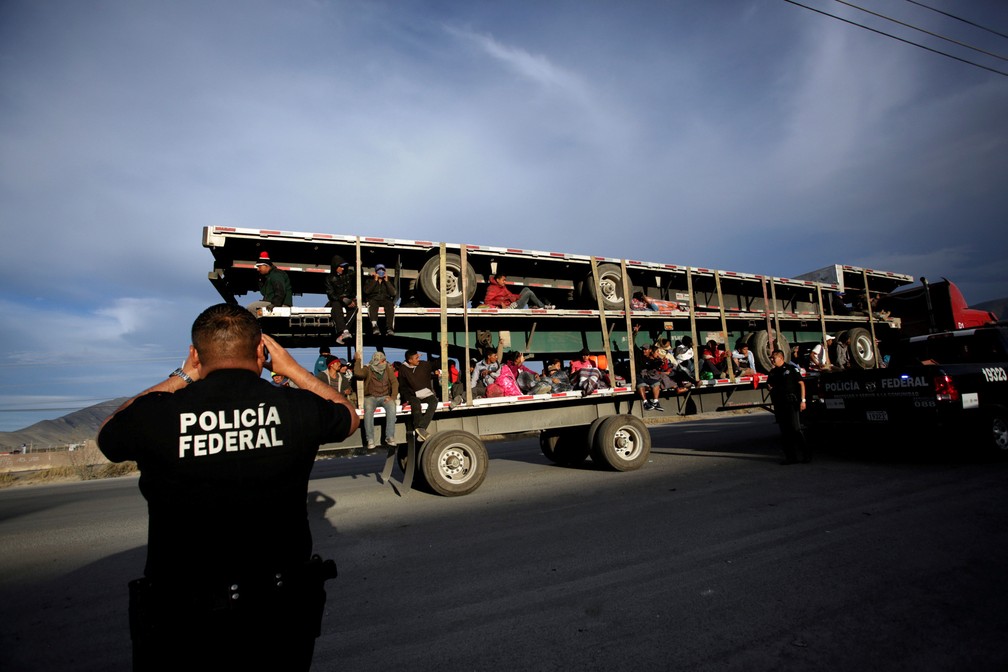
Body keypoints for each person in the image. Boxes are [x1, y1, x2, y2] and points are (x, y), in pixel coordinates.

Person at [96, 303, 359, 671]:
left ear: (195, 354)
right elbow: (348, 416)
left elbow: (109, 429)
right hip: (278, 616)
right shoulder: (295, 407)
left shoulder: (156, 414)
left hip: (181, 623)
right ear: (260, 352)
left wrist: (183, 376)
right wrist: (292, 369)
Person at [766, 348, 809, 464]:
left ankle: (806, 455)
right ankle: (790, 457)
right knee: (784, 432)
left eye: (773, 358)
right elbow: (769, 385)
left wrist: (803, 400)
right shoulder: (773, 372)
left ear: (781, 358)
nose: (771, 360)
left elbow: (801, 384)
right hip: (780, 404)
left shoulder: (791, 369)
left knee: (796, 429)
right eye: (771, 358)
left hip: (791, 403)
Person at [354, 351, 398, 450]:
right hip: (371, 396)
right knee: (368, 410)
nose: (384, 362)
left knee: (391, 406)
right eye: (383, 361)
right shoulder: (368, 368)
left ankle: (390, 436)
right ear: (377, 361)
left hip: (384, 396)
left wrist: (393, 396)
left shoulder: (388, 368)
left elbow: (394, 382)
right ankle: (370, 439)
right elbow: (358, 373)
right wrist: (358, 360)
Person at [398, 349, 439, 441]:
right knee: (415, 405)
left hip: (426, 393)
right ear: (410, 360)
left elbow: (436, 364)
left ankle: (421, 428)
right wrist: (407, 399)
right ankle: (419, 429)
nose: (418, 359)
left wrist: (442, 349)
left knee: (434, 402)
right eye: (416, 358)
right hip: (413, 395)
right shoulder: (403, 369)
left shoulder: (424, 365)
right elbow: (402, 386)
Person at [324, 255, 357, 344]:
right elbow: (331, 294)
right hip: (337, 300)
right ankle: (344, 331)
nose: (342, 269)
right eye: (340, 267)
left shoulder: (349, 273)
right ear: (335, 267)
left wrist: (358, 266)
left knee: (355, 307)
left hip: (349, 299)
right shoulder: (329, 279)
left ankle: (343, 333)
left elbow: (358, 276)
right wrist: (342, 298)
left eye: (344, 267)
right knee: (336, 306)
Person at [483, 274, 551, 309]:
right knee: (529, 293)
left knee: (526, 289)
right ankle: (543, 306)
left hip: (513, 303)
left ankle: (532, 305)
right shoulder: (492, 288)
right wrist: (500, 303)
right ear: (497, 280)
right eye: (503, 280)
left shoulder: (502, 287)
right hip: (510, 307)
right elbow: (487, 301)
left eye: (505, 280)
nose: (505, 282)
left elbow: (510, 295)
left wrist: (519, 297)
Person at [363, 263, 396, 336]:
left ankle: (389, 328)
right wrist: (375, 280)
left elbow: (393, 293)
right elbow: (366, 291)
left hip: (385, 299)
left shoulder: (389, 280)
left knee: (390, 305)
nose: (381, 272)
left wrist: (387, 281)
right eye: (379, 270)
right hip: (373, 299)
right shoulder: (369, 280)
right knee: (372, 304)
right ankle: (374, 326)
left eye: (382, 270)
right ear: (375, 272)